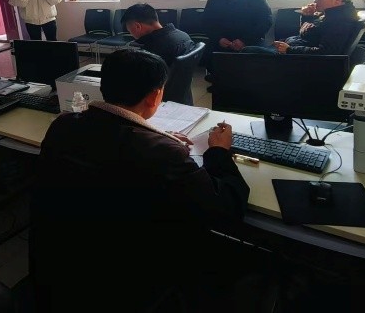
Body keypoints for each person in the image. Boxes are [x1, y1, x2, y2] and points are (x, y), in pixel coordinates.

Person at [30, 49, 254, 312]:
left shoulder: (63, 125)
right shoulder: (162, 153)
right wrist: (218, 151)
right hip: (128, 285)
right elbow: (226, 208)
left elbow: (111, 144)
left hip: (63, 269)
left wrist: (157, 135)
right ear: (155, 96)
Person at [203, 0, 272, 77]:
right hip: (221, 41)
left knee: (259, 60)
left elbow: (265, 22)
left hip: (250, 40)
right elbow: (206, 22)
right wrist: (218, 39)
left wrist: (244, 40)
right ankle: (219, 81)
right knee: (208, 55)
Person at [273, 0, 361, 55]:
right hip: (292, 49)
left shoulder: (339, 21)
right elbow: (309, 36)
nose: (315, 0)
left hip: (298, 60)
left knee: (263, 55)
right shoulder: (332, 13)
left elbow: (325, 52)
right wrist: (307, 17)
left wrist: (289, 50)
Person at [120, 2, 196, 66]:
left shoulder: (153, 50)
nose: (131, 34)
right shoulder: (183, 35)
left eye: (130, 31)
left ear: (137, 26)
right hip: (179, 78)